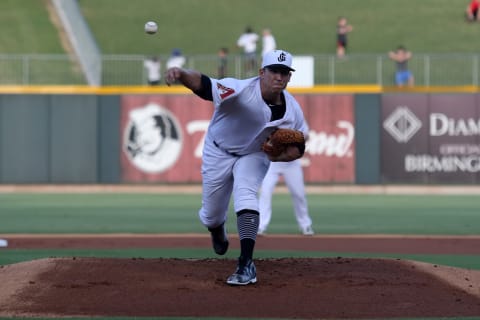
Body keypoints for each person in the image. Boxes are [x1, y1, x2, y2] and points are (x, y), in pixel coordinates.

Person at [164, 49, 308, 286]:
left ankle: (246, 264)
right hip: (219, 150)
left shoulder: (293, 111)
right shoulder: (239, 90)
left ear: (290, 77)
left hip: (253, 153)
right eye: (274, 71)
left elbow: (298, 147)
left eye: (284, 73)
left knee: (246, 194)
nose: (279, 77)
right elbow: (204, 85)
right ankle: (216, 228)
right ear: (262, 72)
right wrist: (181, 74)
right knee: (211, 215)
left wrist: (280, 157)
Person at [258, 160, 314, 236]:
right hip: (272, 163)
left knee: (299, 195)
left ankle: (305, 225)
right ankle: (260, 226)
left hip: (291, 163)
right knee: (265, 193)